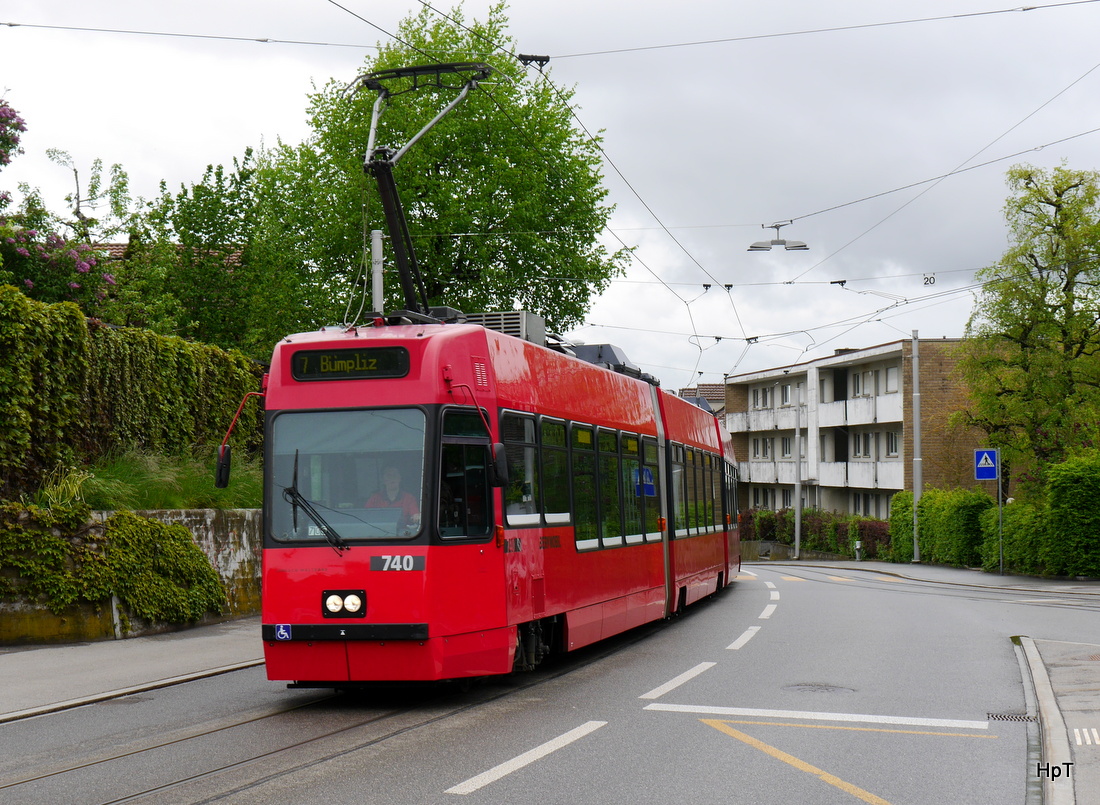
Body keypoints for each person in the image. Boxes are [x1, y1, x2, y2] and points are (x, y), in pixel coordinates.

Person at [366, 466, 420, 530]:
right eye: (389, 475)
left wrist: (416, 517)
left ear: (400, 478)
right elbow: (366, 517)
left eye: (395, 475)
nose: (392, 478)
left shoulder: (409, 498)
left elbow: (415, 515)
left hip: (403, 537)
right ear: (383, 480)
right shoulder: (374, 498)